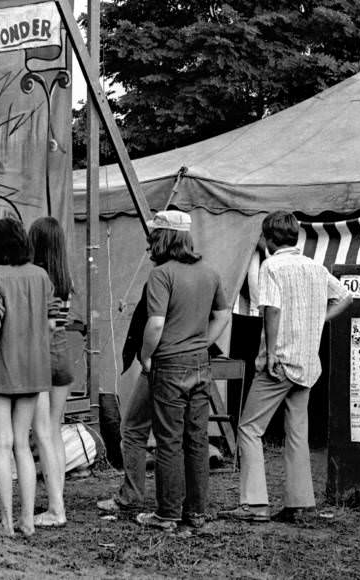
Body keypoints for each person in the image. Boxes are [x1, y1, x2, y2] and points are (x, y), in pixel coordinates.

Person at [220, 211, 350, 523]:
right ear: (295, 237)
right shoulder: (315, 267)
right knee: (297, 432)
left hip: (281, 361)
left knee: (250, 429)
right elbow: (344, 297)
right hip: (307, 362)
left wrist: (272, 353)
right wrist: (318, 320)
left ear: (267, 239)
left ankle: (254, 504)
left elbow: (272, 310)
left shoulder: (271, 266)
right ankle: (301, 504)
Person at [127, 210, 230, 530]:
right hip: (200, 364)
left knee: (169, 440)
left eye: (154, 236)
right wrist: (201, 343)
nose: (151, 242)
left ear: (163, 238)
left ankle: (167, 514)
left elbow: (155, 324)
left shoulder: (161, 275)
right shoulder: (210, 273)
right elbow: (223, 315)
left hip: (169, 366)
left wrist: (146, 356)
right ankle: (195, 513)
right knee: (196, 439)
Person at [0, 217, 53, 537]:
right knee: (23, 444)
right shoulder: (40, 275)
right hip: (33, 370)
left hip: (0, 368)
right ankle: (28, 521)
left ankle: (6, 523)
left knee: (2, 445)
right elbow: (49, 323)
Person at [28, 217, 74, 528]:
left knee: (42, 432)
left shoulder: (38, 277)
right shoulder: (65, 277)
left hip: (43, 358)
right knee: (54, 431)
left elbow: (43, 324)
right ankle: (58, 498)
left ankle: (56, 509)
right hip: (64, 356)